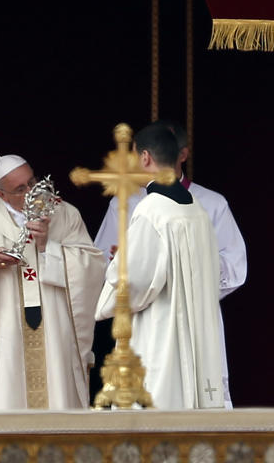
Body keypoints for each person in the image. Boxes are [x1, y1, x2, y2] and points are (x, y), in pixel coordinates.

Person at [0, 155, 105, 410]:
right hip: (2, 336)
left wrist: (49, 247)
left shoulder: (64, 214)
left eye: (32, 182)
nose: (31, 192)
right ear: (1, 195)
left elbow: (93, 267)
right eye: (20, 189)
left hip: (52, 333)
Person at [93, 119, 246, 407]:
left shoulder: (152, 211)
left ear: (145, 158)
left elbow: (133, 280)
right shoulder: (195, 208)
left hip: (160, 326)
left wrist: (109, 293)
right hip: (198, 324)